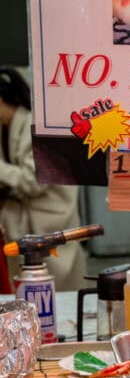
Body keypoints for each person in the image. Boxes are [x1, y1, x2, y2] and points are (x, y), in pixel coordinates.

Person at [0, 67, 85, 290]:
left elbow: (32, 181)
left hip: (48, 213)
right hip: (26, 210)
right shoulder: (8, 127)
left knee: (51, 286)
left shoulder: (34, 124)